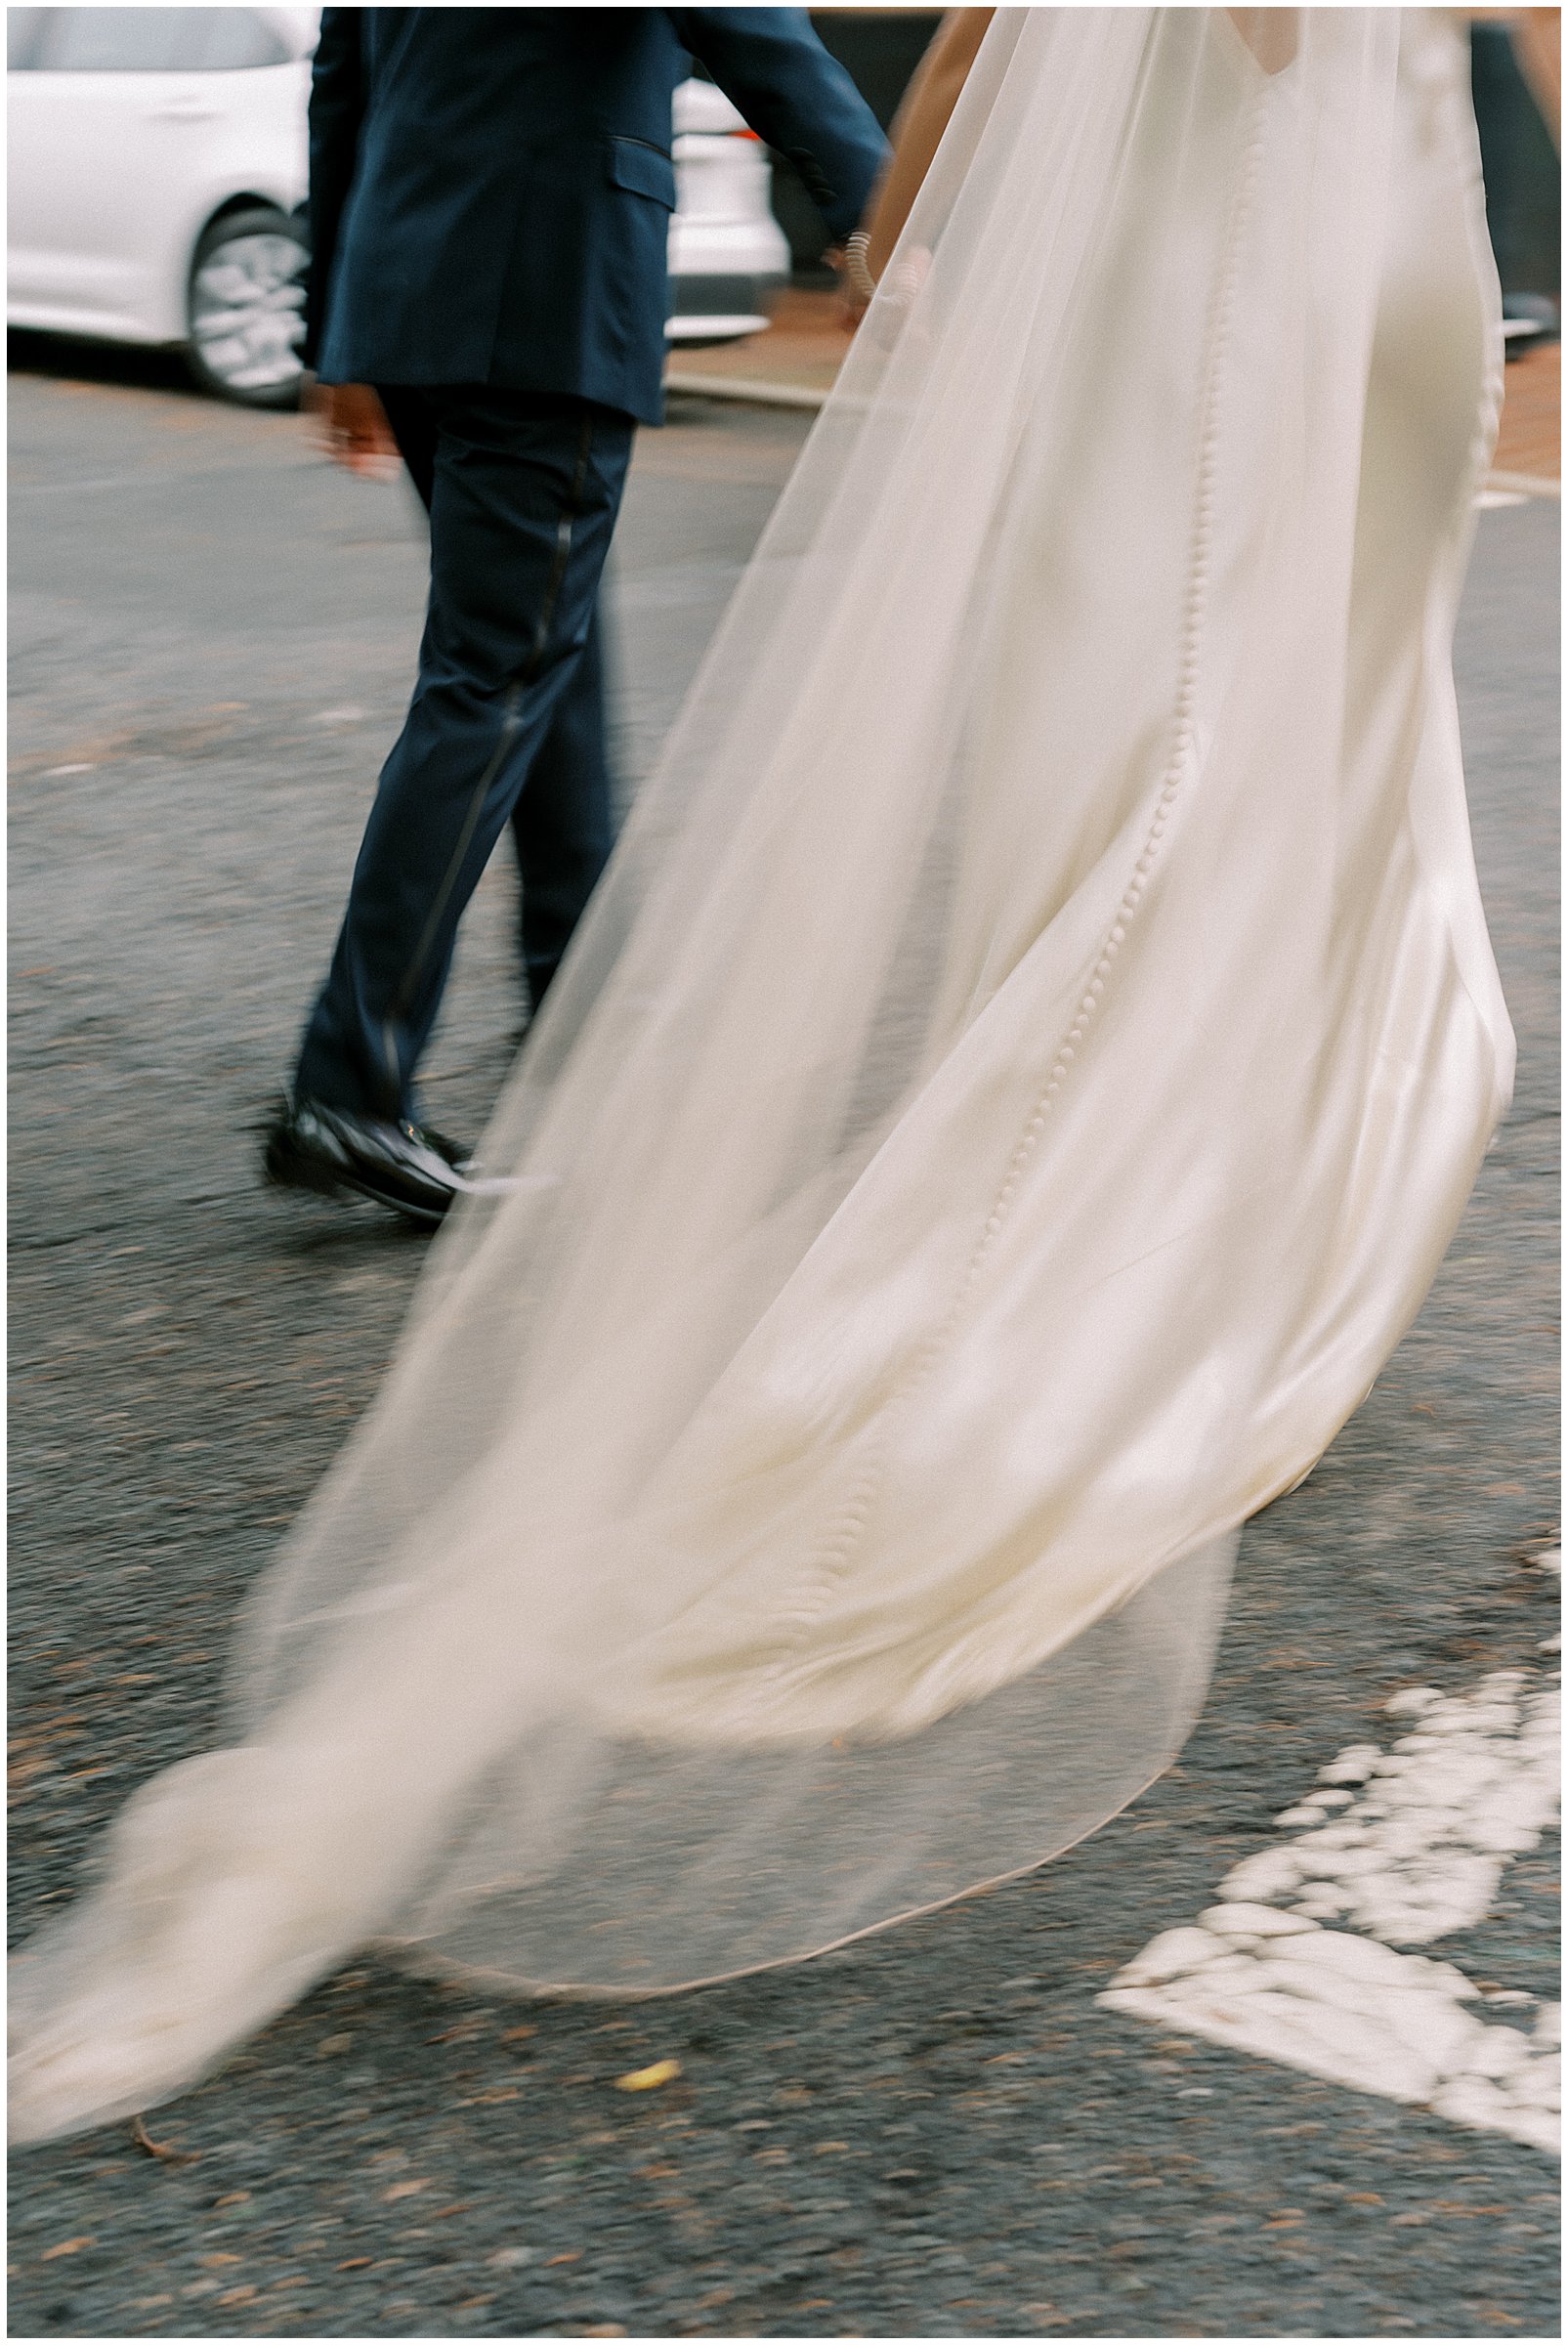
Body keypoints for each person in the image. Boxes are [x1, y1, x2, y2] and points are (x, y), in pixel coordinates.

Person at [11, 8, 1515, 2144]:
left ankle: (476, 1035)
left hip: (466, 282)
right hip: (609, 285)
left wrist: (890, 235)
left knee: (533, 683)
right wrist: (887, 227)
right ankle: (383, 1069)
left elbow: (394, 69)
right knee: (520, 680)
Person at [263, 9, 886, 1225]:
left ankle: (585, 1023)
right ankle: (347, 1084)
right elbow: (748, 21)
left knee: (548, 664)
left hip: (410, 292)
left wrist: (332, 339)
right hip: (540, 288)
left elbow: (339, 84)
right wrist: (884, 215)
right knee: (494, 682)